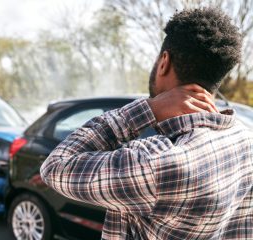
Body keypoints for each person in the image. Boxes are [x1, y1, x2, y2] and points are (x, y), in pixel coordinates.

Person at [40, 7, 252, 240]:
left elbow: (55, 167)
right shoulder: (245, 138)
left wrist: (147, 109)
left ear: (164, 62)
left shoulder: (155, 163)